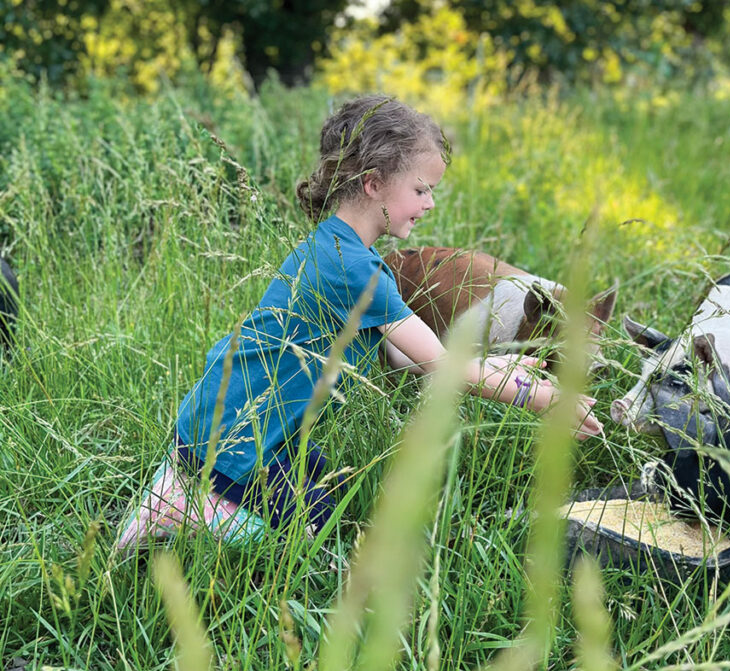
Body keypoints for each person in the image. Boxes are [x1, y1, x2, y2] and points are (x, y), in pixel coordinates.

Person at [117, 95, 604, 550]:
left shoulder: (337, 248)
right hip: (237, 440)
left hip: (225, 420)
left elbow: (409, 357)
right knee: (306, 544)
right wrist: (544, 398)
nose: (430, 203)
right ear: (373, 184)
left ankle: (190, 489)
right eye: (421, 189)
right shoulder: (354, 269)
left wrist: (510, 372)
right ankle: (183, 510)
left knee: (332, 493)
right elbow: (439, 363)